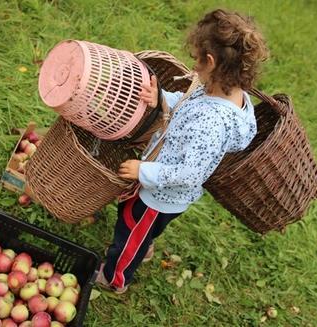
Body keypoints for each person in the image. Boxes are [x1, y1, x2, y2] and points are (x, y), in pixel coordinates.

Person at [96, 8, 269, 294]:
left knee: (130, 227)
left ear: (211, 61)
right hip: (167, 189)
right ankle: (145, 244)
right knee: (146, 229)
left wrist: (144, 171)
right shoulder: (223, 91)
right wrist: (161, 97)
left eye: (196, 59)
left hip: (160, 193)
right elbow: (187, 104)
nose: (194, 66)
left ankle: (115, 276)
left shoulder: (212, 123)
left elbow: (190, 173)